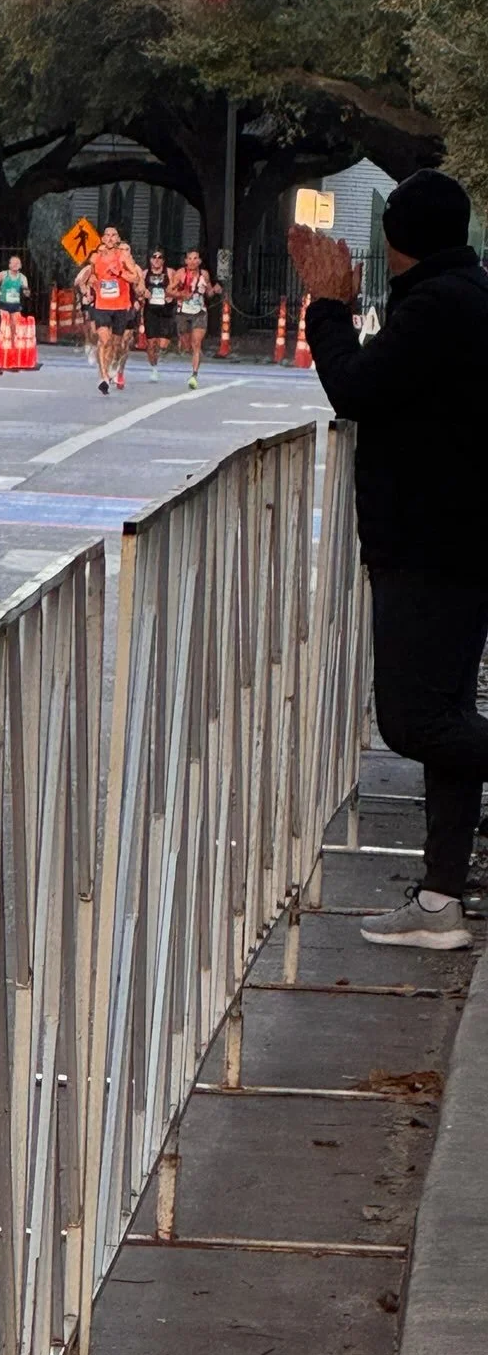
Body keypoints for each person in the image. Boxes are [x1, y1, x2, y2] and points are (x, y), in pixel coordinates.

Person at [290, 169, 488, 952]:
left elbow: (357, 387)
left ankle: (440, 898)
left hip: (433, 543)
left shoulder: (440, 306)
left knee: (413, 720)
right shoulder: (459, 294)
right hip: (455, 538)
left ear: (393, 238)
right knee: (447, 716)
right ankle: (440, 901)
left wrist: (330, 306)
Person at [75, 225, 143, 394]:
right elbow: (83, 279)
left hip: (120, 306)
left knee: (116, 343)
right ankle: (103, 377)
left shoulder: (124, 256)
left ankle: (112, 367)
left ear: (118, 239)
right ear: (103, 239)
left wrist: (120, 273)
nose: (111, 238)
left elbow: (135, 277)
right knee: (103, 340)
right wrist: (87, 290)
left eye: (114, 235)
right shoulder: (95, 257)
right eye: (107, 235)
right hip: (102, 306)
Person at [170, 248, 221, 387]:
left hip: (200, 312)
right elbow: (168, 291)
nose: (192, 261)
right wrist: (181, 295)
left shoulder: (204, 274)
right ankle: (193, 352)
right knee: (186, 344)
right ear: (186, 260)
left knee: (196, 343)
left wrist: (215, 290)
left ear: (199, 261)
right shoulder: (180, 274)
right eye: (190, 258)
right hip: (183, 312)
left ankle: (194, 375)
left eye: (195, 258)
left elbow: (208, 293)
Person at [141, 249, 175, 376]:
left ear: (163, 260)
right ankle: (154, 368)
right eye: (154, 257)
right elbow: (139, 288)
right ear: (150, 259)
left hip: (166, 310)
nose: (157, 259)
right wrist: (144, 292)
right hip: (151, 310)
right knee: (151, 343)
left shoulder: (170, 272)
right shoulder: (145, 273)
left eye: (160, 257)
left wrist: (171, 294)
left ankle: (160, 360)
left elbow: (177, 285)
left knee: (163, 344)